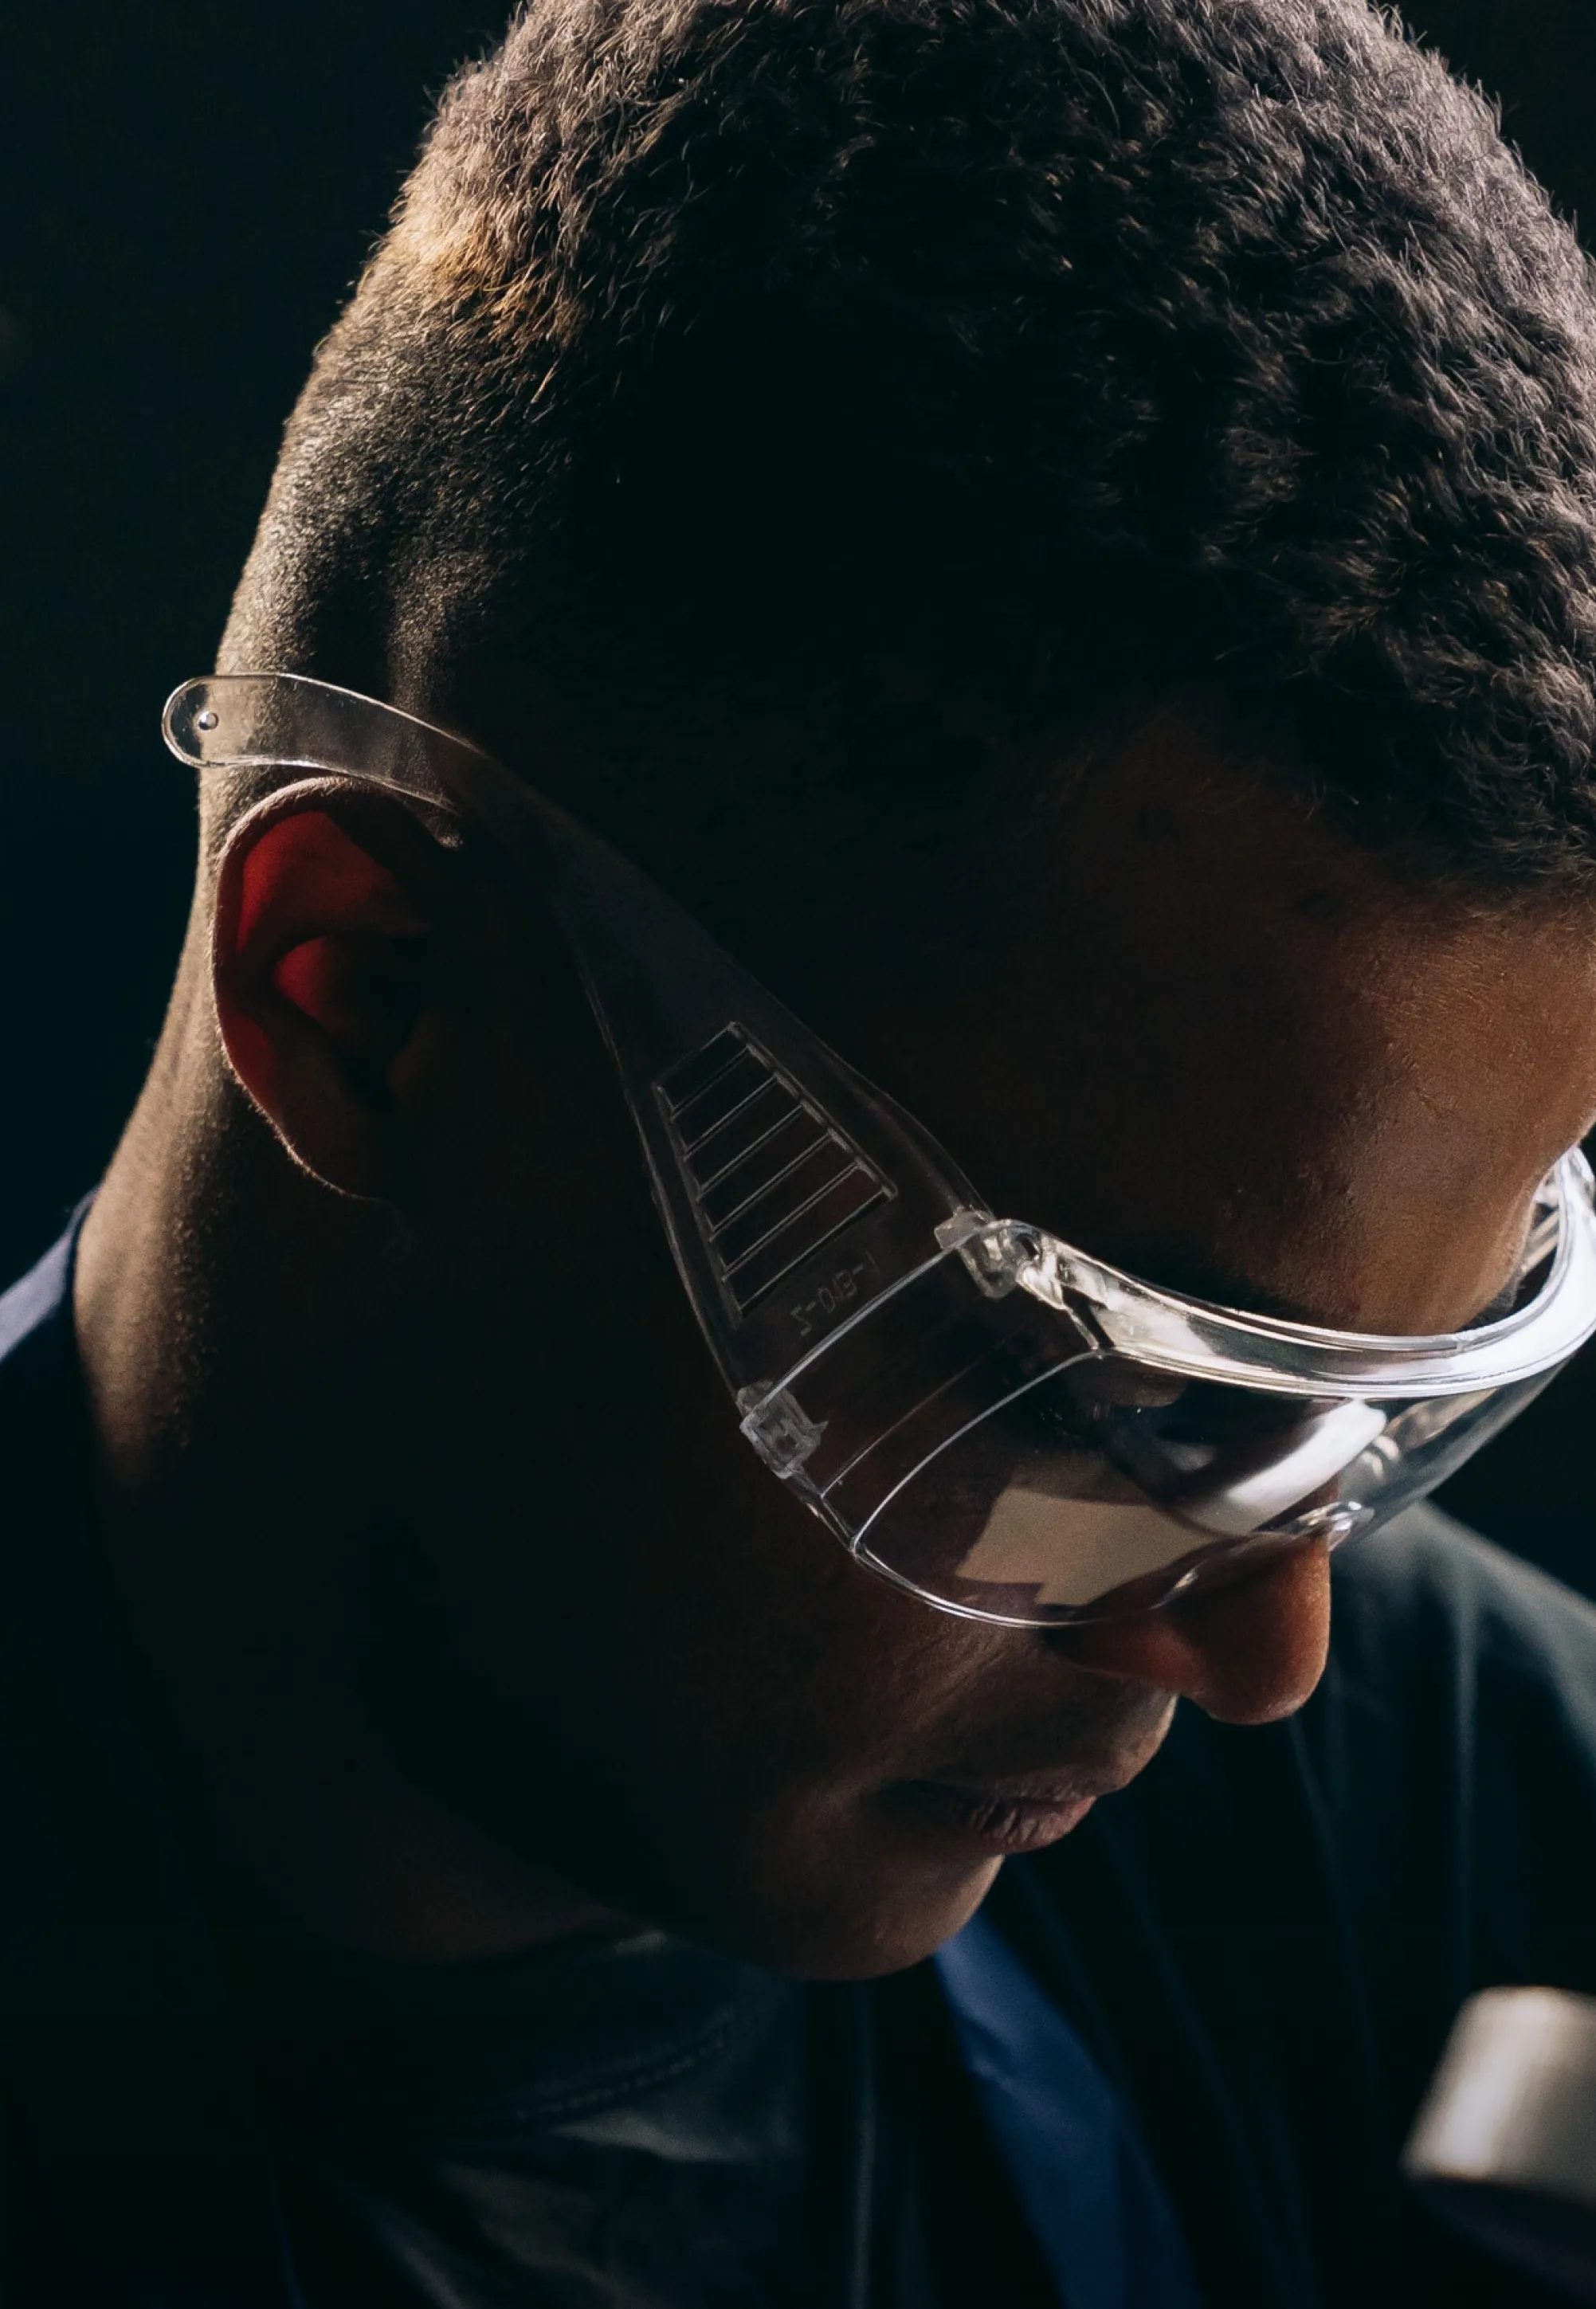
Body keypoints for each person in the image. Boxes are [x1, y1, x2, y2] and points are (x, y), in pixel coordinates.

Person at [10, 0, 1596, 2299]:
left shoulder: (1394, 1820)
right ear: (378, 1003)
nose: (1262, 1646)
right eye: (1106, 1399)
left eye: (1385, 1410)